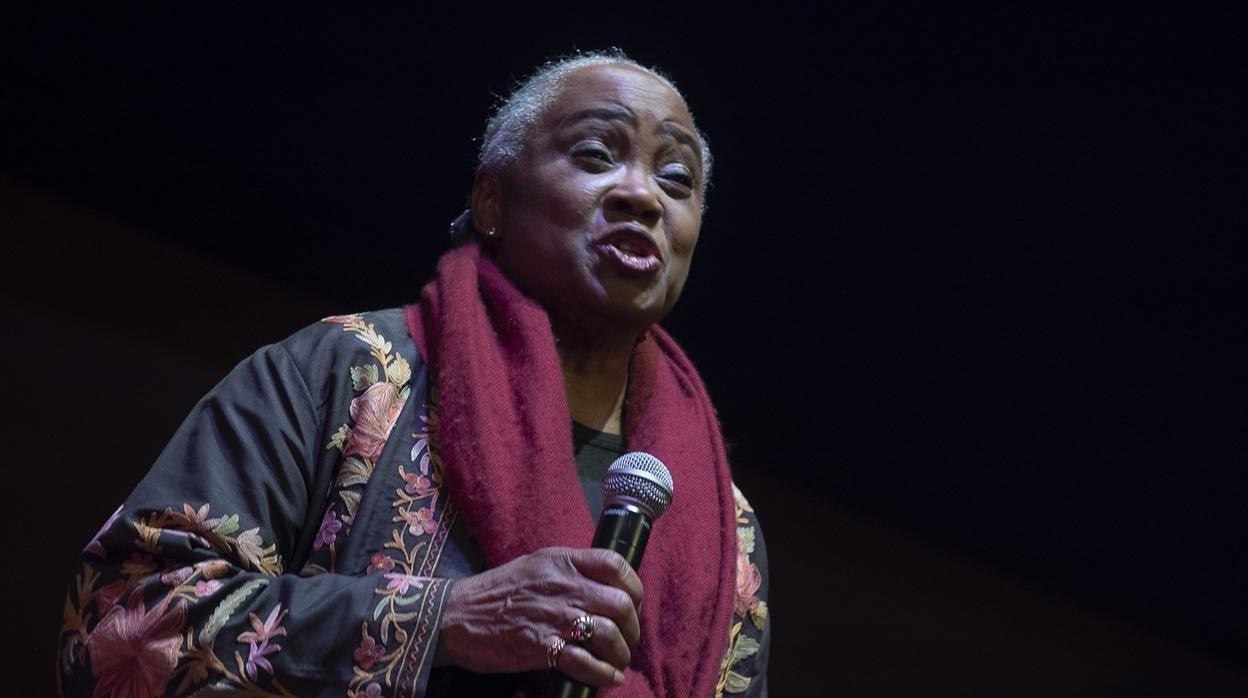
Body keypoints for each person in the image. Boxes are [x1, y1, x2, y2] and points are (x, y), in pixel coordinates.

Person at [57, 50, 770, 698]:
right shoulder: (346, 374)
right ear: (491, 201)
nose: (643, 195)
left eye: (677, 178)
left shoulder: (725, 529)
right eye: (594, 153)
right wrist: (441, 619)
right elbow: (120, 627)